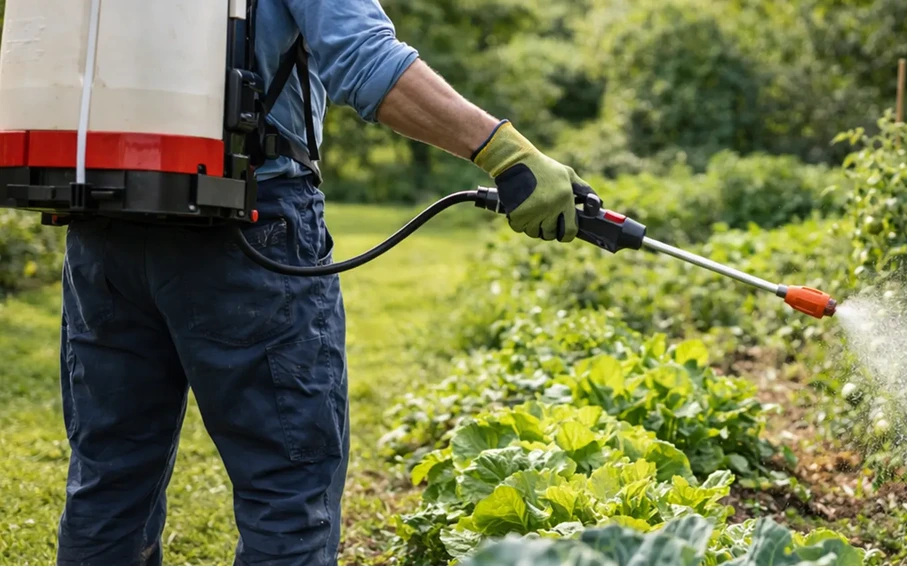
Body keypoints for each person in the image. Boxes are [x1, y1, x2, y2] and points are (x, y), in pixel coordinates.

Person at [54, 0, 590, 564]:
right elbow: (365, 61)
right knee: (286, 488)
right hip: (244, 229)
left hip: (102, 224)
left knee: (108, 480)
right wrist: (507, 152)